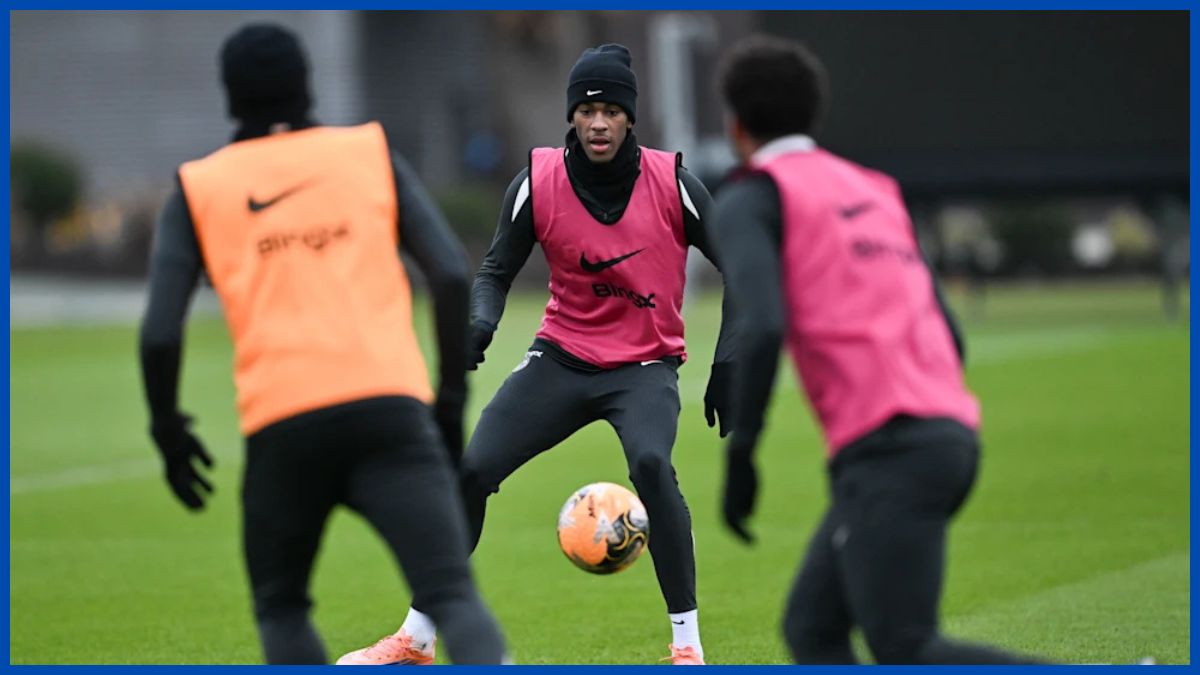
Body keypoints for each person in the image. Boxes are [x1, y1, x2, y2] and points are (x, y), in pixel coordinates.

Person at [338, 43, 735, 666]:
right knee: (471, 472)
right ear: (571, 115)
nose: (598, 123)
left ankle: (688, 648)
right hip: (561, 358)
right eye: (586, 110)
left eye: (611, 111)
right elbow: (495, 269)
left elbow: (741, 268)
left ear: (630, 118)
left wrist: (729, 361)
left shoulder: (674, 182)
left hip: (643, 366)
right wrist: (480, 323)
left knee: (652, 465)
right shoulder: (537, 180)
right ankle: (416, 637)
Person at [138, 23, 507, 665]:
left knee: (282, 608)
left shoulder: (200, 186)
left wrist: (169, 431)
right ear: (307, 87)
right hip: (391, 413)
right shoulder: (367, 153)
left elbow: (160, 332)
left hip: (282, 424)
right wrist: (449, 404)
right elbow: (450, 273)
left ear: (231, 98)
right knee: (451, 593)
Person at [709, 35, 1051, 665]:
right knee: (813, 628)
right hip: (945, 434)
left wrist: (743, 452)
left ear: (736, 125)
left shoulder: (750, 197)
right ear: (813, 116)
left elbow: (763, 325)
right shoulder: (873, 188)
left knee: (905, 644)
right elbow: (949, 332)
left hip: (889, 448)